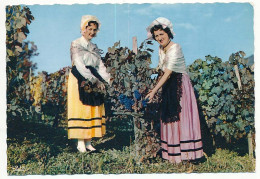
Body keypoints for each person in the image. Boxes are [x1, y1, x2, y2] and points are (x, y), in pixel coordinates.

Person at [145, 17, 203, 163]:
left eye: (161, 34)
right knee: (169, 116)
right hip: (168, 84)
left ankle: (188, 154)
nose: (159, 38)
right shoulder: (161, 49)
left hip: (179, 85)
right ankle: (173, 154)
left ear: (168, 33)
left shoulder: (175, 47)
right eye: (156, 36)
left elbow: (169, 71)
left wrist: (154, 90)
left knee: (181, 116)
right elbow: (161, 68)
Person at [67, 15, 110, 153]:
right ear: (83, 28)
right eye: (89, 28)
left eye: (94, 30)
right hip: (80, 76)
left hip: (93, 75)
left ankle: (89, 142)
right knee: (82, 107)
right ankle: (80, 142)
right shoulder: (76, 44)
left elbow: (100, 66)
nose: (91, 32)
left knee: (92, 107)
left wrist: (106, 80)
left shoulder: (94, 47)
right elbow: (79, 65)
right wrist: (95, 80)